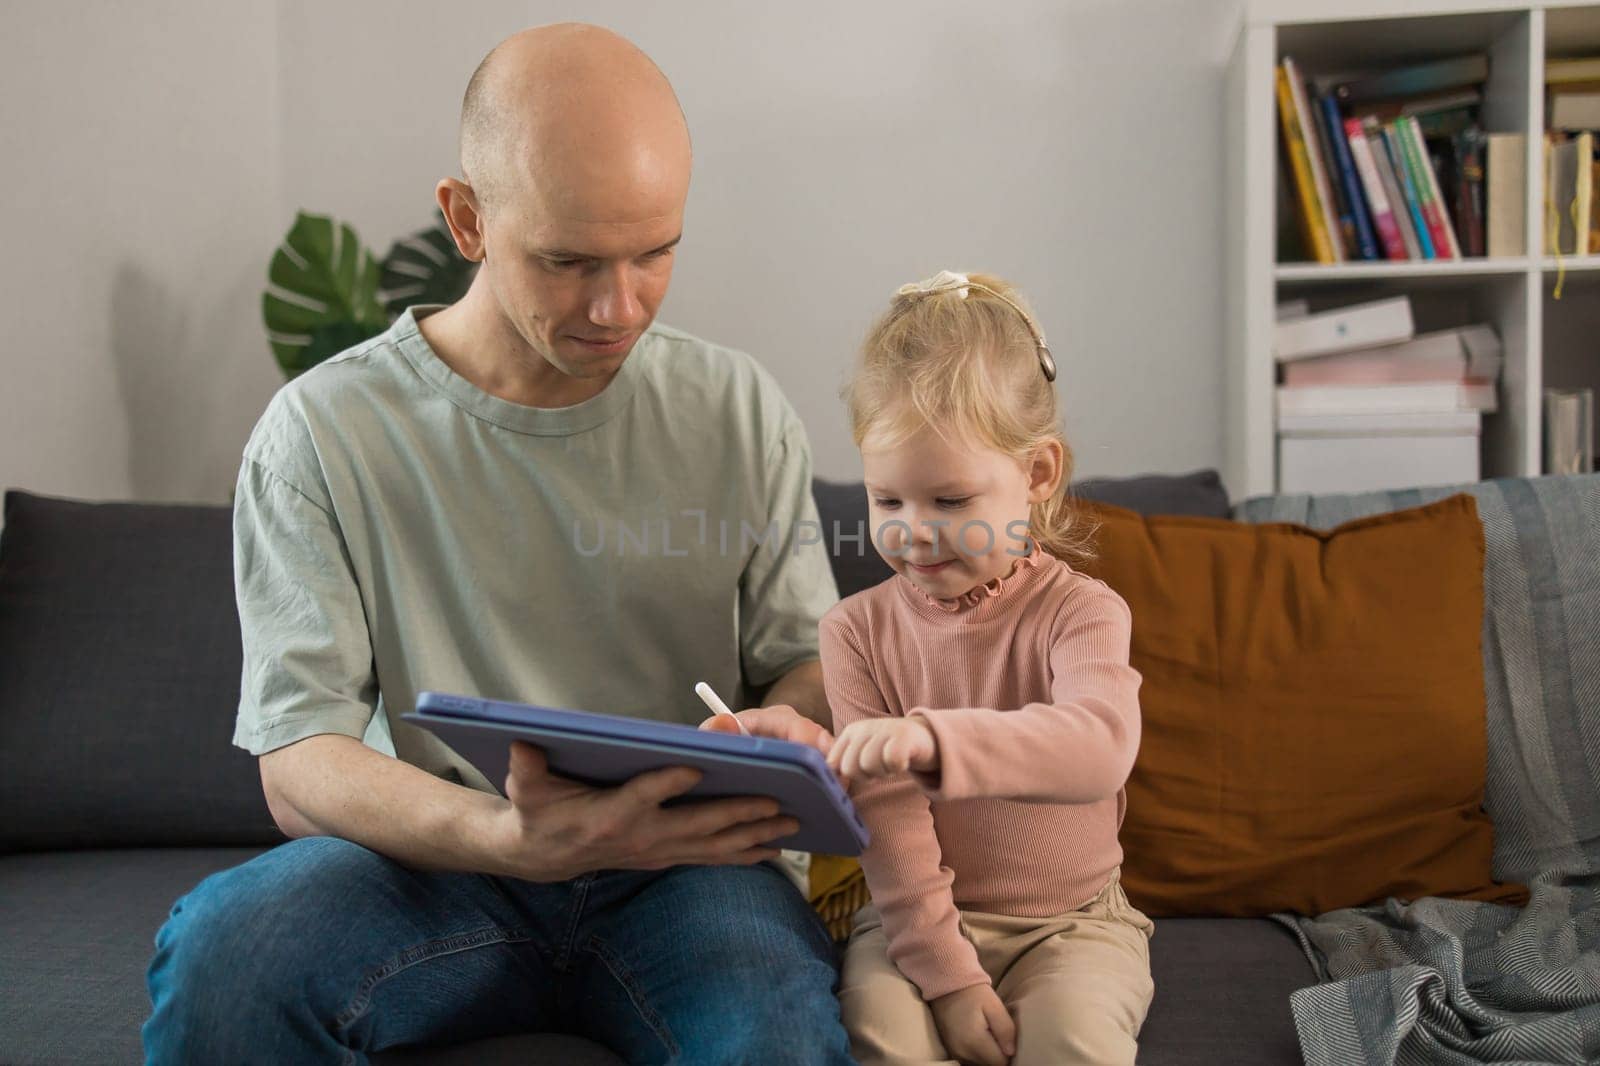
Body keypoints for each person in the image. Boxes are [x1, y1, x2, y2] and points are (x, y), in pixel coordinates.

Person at [142, 24, 851, 1065]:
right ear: (467, 219)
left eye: (655, 254)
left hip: (685, 870)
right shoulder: (320, 434)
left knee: (777, 1039)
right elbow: (300, 760)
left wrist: (790, 723)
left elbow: (804, 661)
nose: (619, 307)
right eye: (568, 262)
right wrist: (511, 841)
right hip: (432, 859)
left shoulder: (736, 409)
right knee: (226, 960)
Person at [820, 270, 1155, 1065]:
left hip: (1073, 922)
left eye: (949, 501)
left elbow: (1101, 745)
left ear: (1037, 475)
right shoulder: (855, 633)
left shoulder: (1083, 613)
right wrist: (949, 978)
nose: (913, 534)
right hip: (914, 922)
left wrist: (934, 744)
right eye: (888, 502)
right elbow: (891, 832)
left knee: (1074, 1042)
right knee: (880, 1036)